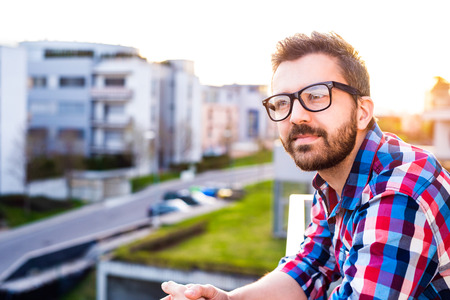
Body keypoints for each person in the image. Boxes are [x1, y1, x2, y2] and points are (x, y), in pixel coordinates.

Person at [160, 32, 450, 299]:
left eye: (316, 96)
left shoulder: (398, 194)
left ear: (362, 113)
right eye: (282, 102)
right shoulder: (336, 177)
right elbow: (310, 266)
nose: (296, 116)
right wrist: (228, 298)